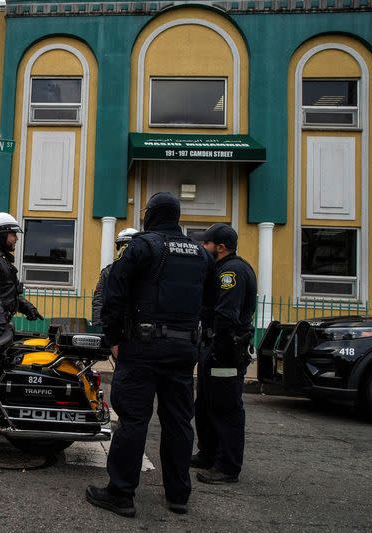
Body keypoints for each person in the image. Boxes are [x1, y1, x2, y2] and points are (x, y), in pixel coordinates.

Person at [86, 192, 215, 517]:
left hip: (142, 348)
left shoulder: (143, 246)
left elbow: (113, 293)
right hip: (183, 350)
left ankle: (121, 494)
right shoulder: (201, 253)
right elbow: (211, 305)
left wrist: (114, 338)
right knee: (179, 422)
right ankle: (178, 495)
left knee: (132, 420)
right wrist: (196, 342)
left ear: (152, 215)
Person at [192, 223, 257, 484]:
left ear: (220, 247)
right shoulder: (222, 269)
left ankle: (227, 466)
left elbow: (226, 316)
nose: (202, 248)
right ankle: (208, 454)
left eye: (205, 244)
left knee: (225, 407)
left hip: (226, 350)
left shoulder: (231, 272)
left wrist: (217, 350)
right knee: (205, 403)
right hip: (214, 347)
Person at [92, 228, 138, 326]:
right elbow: (99, 300)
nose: (125, 249)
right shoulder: (108, 272)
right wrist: (98, 325)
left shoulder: (144, 271)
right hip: (113, 325)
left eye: (129, 245)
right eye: (122, 245)